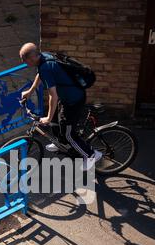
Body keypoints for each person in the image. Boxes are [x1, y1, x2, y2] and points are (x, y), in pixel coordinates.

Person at [19, 42, 102, 171]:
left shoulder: (46, 66)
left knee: (68, 133)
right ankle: (61, 143)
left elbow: (53, 95)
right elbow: (40, 74)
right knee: (55, 122)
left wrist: (47, 116)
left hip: (73, 100)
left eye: (25, 61)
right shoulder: (44, 57)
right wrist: (30, 91)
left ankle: (91, 155)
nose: (25, 64)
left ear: (32, 58)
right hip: (67, 97)